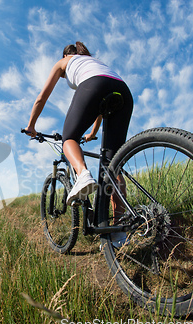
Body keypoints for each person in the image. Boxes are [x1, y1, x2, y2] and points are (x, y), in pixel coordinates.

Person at [24, 41, 133, 207]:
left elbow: (42, 97)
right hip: (123, 90)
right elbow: (101, 106)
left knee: (69, 138)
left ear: (66, 55)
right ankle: (118, 229)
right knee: (113, 165)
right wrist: (93, 132)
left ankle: (83, 175)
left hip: (94, 84)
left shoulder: (64, 62)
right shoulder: (94, 62)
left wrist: (31, 125)